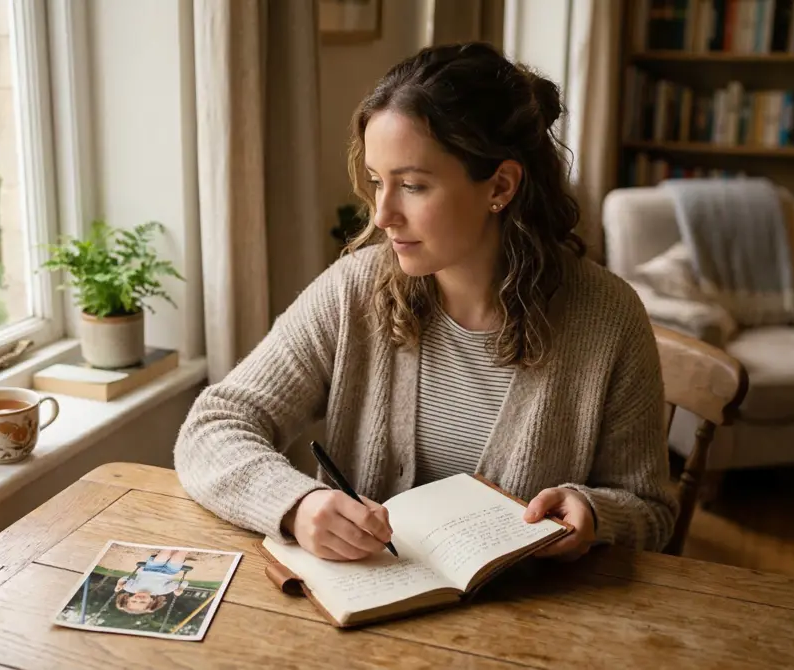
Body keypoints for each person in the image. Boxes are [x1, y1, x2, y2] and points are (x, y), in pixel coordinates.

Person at [175, 42, 677, 563]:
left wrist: (592, 512)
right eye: (376, 182)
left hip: (530, 632)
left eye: (412, 185)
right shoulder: (354, 291)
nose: (383, 214)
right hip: (363, 615)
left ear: (500, 186)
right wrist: (297, 504)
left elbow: (651, 511)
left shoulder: (609, 318)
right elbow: (213, 425)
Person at [113, 549, 190, 615]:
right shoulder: (162, 591)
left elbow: (125, 578)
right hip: (170, 571)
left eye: (134, 601)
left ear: (128, 599)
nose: (139, 599)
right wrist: (180, 588)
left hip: (150, 568)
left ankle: (170, 548)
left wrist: (119, 584)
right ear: (151, 601)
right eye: (143, 602)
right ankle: (184, 549)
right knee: (177, 558)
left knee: (165, 554)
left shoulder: (130, 588)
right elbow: (184, 583)